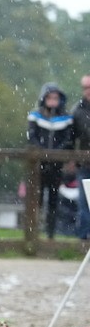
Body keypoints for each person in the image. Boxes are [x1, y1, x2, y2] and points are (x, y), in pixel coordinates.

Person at [27, 83, 75, 239]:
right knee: (36, 199)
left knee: (53, 201)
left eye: (56, 98)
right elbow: (32, 137)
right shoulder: (35, 116)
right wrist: (43, 152)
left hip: (56, 165)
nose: (53, 101)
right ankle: (33, 233)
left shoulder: (66, 119)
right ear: (44, 98)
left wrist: (55, 153)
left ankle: (50, 234)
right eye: (50, 97)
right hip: (38, 164)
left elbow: (68, 141)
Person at [70, 74, 90, 239]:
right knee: (84, 204)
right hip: (85, 165)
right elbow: (70, 138)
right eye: (85, 88)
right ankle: (83, 240)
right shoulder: (77, 111)